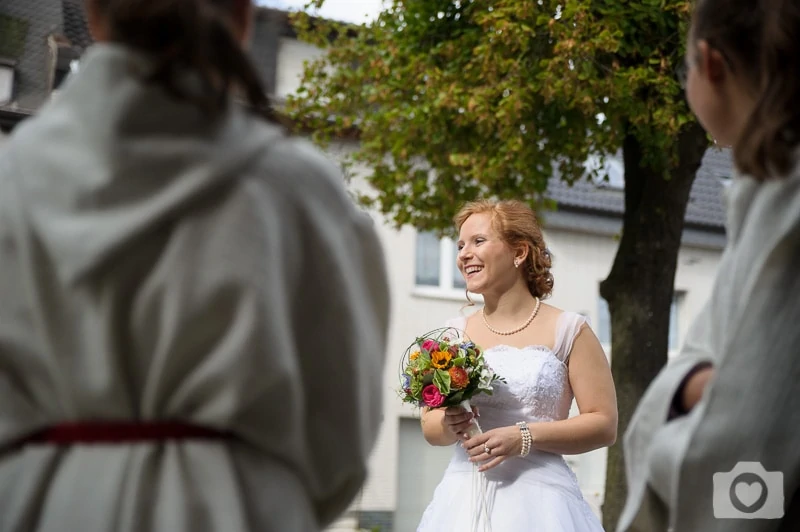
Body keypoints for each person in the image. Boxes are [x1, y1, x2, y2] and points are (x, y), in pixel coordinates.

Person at [0, 1, 390, 531]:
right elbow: (338, 435)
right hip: (238, 509)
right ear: (243, 17)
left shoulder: (11, 183)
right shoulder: (299, 191)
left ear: (93, 14)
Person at [618, 0, 800, 530]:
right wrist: (697, 383)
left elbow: (750, 437)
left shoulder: (784, 205)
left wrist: (691, 390)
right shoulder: (761, 193)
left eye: (684, 71)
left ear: (710, 62)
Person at [417, 199, 618, 531]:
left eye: (478, 241)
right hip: (462, 502)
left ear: (519, 252)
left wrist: (524, 436)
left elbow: (604, 424)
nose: (464, 254)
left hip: (544, 505)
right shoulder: (453, 335)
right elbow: (431, 428)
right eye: (461, 245)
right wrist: (449, 423)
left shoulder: (570, 330)